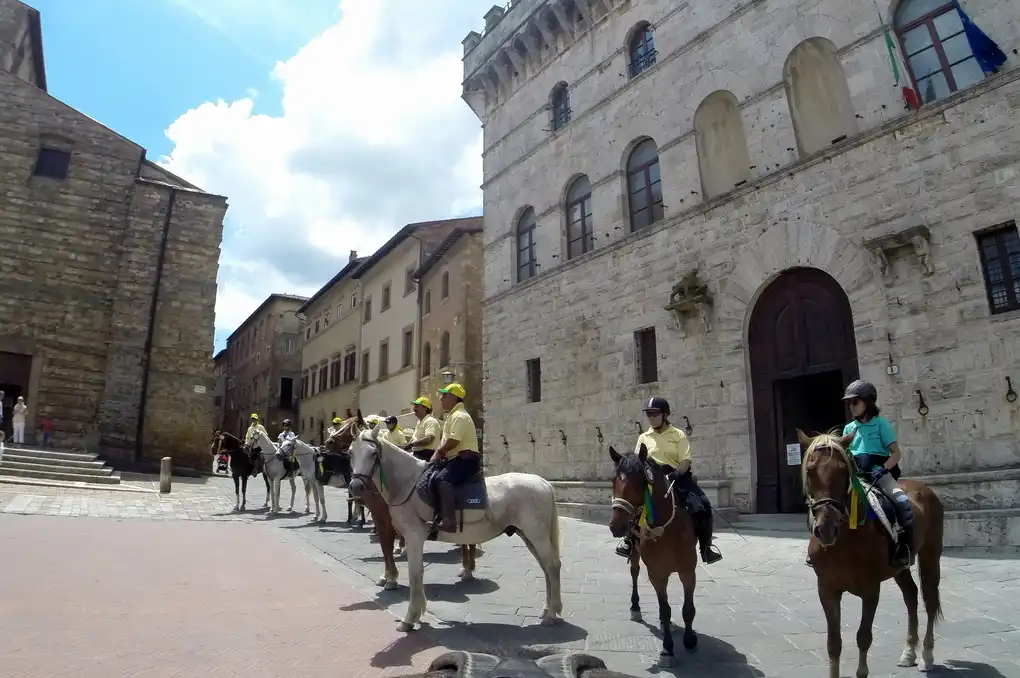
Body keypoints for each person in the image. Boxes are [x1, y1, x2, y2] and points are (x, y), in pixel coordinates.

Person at [616, 397, 722, 565]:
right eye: (648, 414)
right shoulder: (644, 437)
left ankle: (706, 548)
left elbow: (685, 460)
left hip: (675, 476)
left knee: (702, 504)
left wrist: (676, 474)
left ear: (664, 415)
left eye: (654, 413)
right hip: (650, 479)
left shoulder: (677, 435)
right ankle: (629, 541)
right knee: (633, 503)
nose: (650, 417)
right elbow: (637, 462)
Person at [841, 379, 915, 568]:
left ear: (868, 402)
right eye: (849, 403)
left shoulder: (882, 424)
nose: (851, 406)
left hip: (879, 474)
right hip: (857, 476)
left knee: (903, 502)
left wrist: (884, 469)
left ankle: (904, 546)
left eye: (855, 402)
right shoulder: (849, 428)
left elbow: (896, 453)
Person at [430, 383, 481, 535]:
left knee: (442, 479)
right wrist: (435, 457)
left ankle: (450, 521)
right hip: (455, 458)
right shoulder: (453, 416)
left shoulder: (460, 416)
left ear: (454, 398)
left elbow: (454, 441)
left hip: (465, 459)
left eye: (445, 396)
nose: (441, 399)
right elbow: (445, 441)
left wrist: (439, 451)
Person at [405, 397, 442, 462]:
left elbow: (428, 439)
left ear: (425, 408)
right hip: (418, 454)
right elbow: (414, 438)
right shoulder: (419, 422)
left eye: (417, 406)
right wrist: (405, 447)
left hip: (426, 455)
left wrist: (412, 444)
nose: (414, 408)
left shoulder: (430, 421)